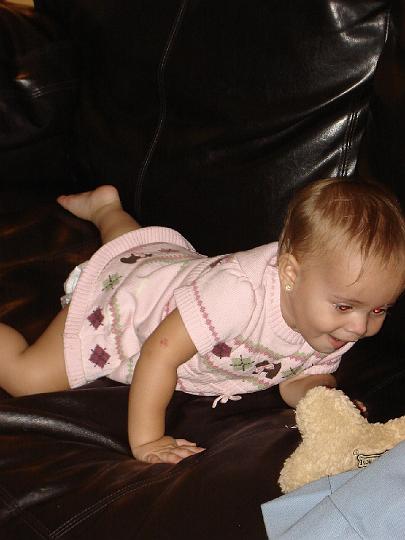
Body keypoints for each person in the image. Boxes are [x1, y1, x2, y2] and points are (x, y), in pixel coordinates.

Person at [0, 178, 404, 464]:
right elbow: (158, 353)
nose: (360, 328)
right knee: (27, 379)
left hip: (168, 270)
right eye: (345, 307)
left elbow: (297, 377)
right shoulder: (236, 295)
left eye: (379, 310)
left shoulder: (330, 319)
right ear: (290, 274)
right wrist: (148, 440)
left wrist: (322, 398)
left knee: (137, 248)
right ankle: (108, 217)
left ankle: (107, 209)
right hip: (129, 306)